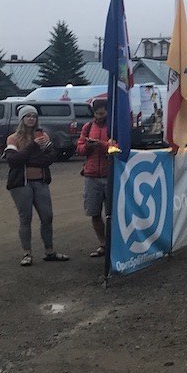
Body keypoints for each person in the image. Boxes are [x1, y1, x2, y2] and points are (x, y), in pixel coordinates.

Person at [4, 105, 69, 266]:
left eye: (34, 116)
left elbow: (51, 157)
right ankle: (27, 253)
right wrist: (33, 146)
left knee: (47, 216)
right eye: (27, 116)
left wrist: (29, 160)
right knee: (25, 218)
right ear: (22, 119)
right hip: (21, 184)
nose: (31, 119)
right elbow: (13, 161)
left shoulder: (43, 135)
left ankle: (50, 251)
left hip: (40, 181)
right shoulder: (13, 138)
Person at [76, 99, 109, 258]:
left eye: (102, 113)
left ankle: (114, 243)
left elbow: (118, 149)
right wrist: (88, 146)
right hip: (91, 175)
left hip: (110, 175)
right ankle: (102, 243)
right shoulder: (88, 127)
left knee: (112, 214)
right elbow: (80, 149)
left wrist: (101, 145)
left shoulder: (114, 127)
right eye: (97, 113)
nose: (100, 116)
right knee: (94, 213)